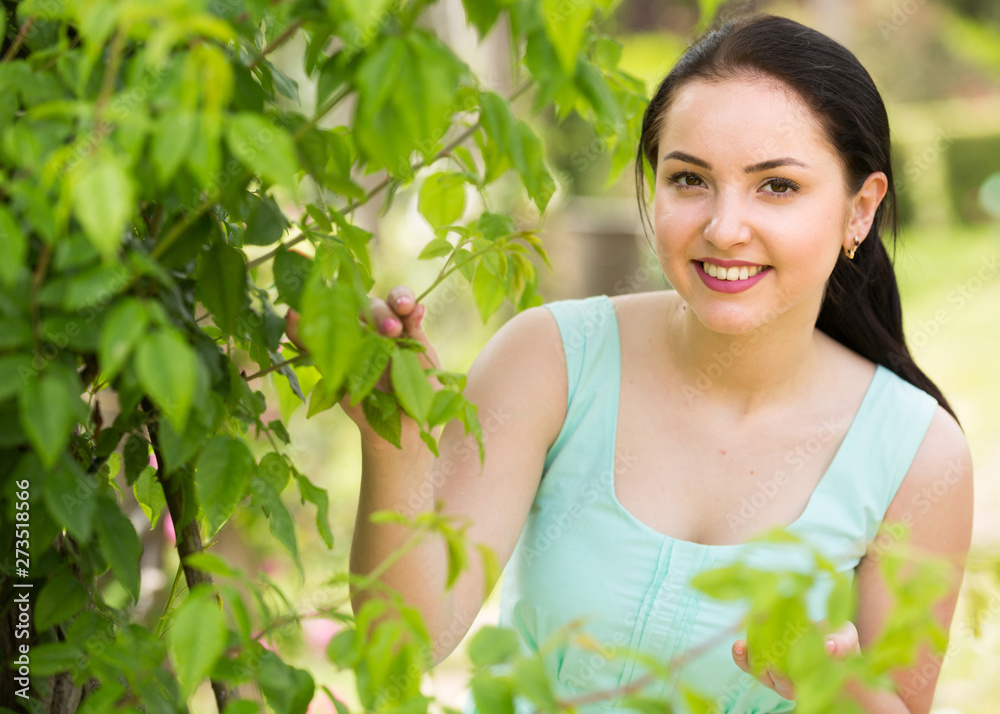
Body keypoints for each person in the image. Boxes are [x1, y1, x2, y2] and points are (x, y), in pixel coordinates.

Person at [289, 13, 974, 713]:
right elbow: (403, 654)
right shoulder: (550, 361)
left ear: (860, 209)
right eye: (689, 179)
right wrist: (396, 444)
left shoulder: (918, 456)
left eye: (777, 186)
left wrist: (838, 691)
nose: (724, 229)